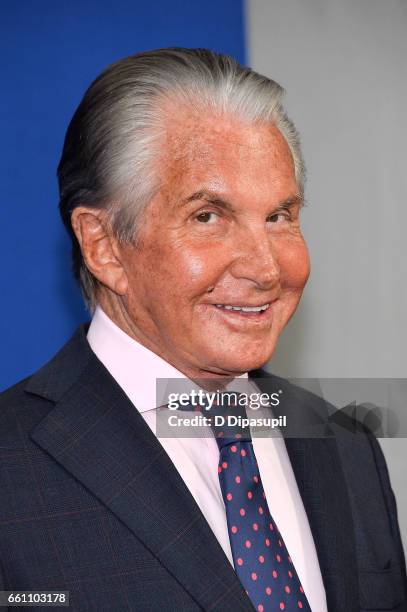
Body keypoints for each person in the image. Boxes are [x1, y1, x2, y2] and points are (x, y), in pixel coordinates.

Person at [0, 48, 405, 612]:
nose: (265, 268)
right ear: (104, 244)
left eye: (279, 216)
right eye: (208, 216)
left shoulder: (344, 443)